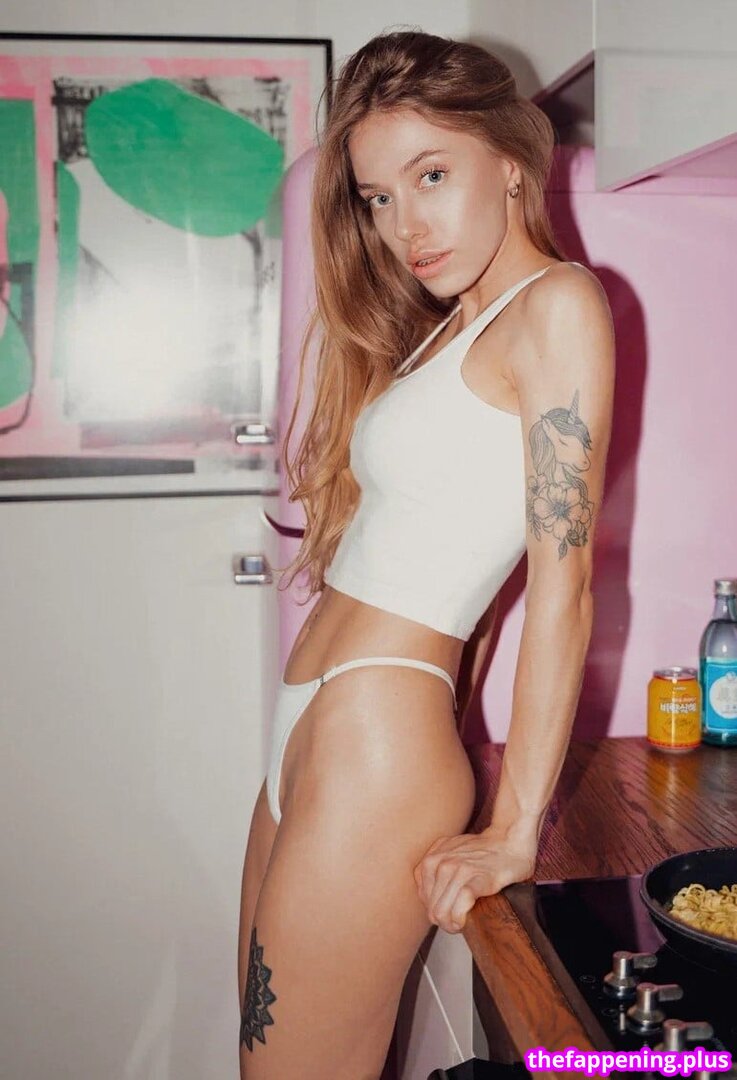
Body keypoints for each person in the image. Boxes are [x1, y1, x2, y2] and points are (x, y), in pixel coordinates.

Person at [237, 27, 615, 1080]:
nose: (404, 224)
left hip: (376, 743)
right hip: (317, 728)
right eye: (377, 197)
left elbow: (565, 584)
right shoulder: (452, 327)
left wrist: (514, 830)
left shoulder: (557, 305)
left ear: (511, 158)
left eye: (431, 175)